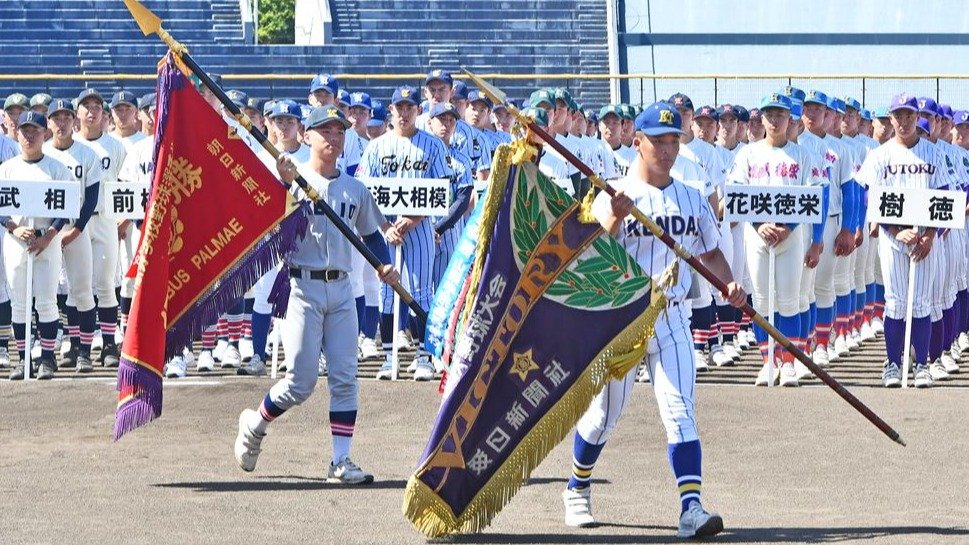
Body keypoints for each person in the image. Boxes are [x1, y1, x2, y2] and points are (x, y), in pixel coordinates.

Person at [560, 101, 745, 539]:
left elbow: (712, 253)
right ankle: (576, 487)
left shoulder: (691, 195)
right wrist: (616, 217)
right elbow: (589, 254)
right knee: (605, 414)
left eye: (673, 141)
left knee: (680, 409)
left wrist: (729, 286)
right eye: (657, 141)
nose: (667, 149)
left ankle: (691, 508)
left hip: (671, 313)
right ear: (637, 142)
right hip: (621, 318)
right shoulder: (614, 193)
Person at [233, 106, 401, 481]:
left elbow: (372, 234)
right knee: (301, 381)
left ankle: (341, 460)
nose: (333, 137)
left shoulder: (355, 188)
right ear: (306, 136)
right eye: (324, 130)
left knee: (345, 376)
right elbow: (269, 223)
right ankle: (255, 423)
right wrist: (284, 185)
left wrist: (383, 264)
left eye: (339, 131)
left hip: (342, 288)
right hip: (301, 286)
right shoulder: (291, 179)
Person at [728, 93, 824, 386]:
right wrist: (759, 224)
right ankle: (768, 361)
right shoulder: (747, 153)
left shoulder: (803, 155)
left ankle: (789, 362)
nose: (774, 120)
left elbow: (815, 196)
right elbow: (736, 193)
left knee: (789, 300)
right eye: (769, 115)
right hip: (757, 235)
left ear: (789, 118)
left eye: (780, 114)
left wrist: (788, 226)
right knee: (762, 300)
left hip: (791, 236)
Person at [855, 93, 950, 388]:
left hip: (924, 239)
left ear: (916, 116)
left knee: (921, 303)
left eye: (910, 115)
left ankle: (921, 363)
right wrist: (897, 231)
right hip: (892, 238)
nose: (905, 121)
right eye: (899, 115)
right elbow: (870, 197)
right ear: (891, 119)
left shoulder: (933, 153)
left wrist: (930, 236)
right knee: (895, 302)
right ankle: (893, 363)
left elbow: (944, 196)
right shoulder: (879, 155)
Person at [360, 85, 453, 380]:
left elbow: (443, 191)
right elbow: (365, 192)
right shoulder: (376, 147)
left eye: (409, 107)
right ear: (391, 110)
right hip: (385, 230)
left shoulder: (433, 145)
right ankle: (389, 356)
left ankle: (424, 358)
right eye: (399, 107)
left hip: (420, 228)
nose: (403, 113)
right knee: (388, 293)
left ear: (418, 110)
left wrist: (411, 219)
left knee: (423, 293)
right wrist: (385, 226)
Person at [0, 112, 73, 380]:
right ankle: (23, 359)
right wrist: (14, 227)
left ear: (45, 134)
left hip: (47, 240)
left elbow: (67, 206)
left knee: (46, 302)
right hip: (17, 239)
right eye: (24, 130)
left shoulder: (56, 168)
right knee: (19, 303)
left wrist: (49, 235)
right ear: (17, 133)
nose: (29, 135)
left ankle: (47, 358)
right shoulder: (6, 169)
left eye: (35, 130)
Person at [41, 98, 101, 374]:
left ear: (73, 121)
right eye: (56, 117)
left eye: (66, 117)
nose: (61, 122)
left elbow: (90, 199)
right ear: (49, 123)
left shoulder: (87, 154)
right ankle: (69, 345)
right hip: (49, 232)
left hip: (77, 228)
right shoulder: (41, 154)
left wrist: (76, 230)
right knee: (51, 293)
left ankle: (84, 352)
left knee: (82, 290)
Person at [74, 88, 127, 367]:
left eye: (96, 106)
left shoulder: (115, 146)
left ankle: (108, 345)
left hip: (105, 217)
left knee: (106, 283)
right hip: (74, 223)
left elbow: (121, 182)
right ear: (77, 113)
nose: (91, 111)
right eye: (86, 106)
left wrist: (120, 217)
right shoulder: (70, 145)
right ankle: (76, 345)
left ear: (104, 114)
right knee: (77, 285)